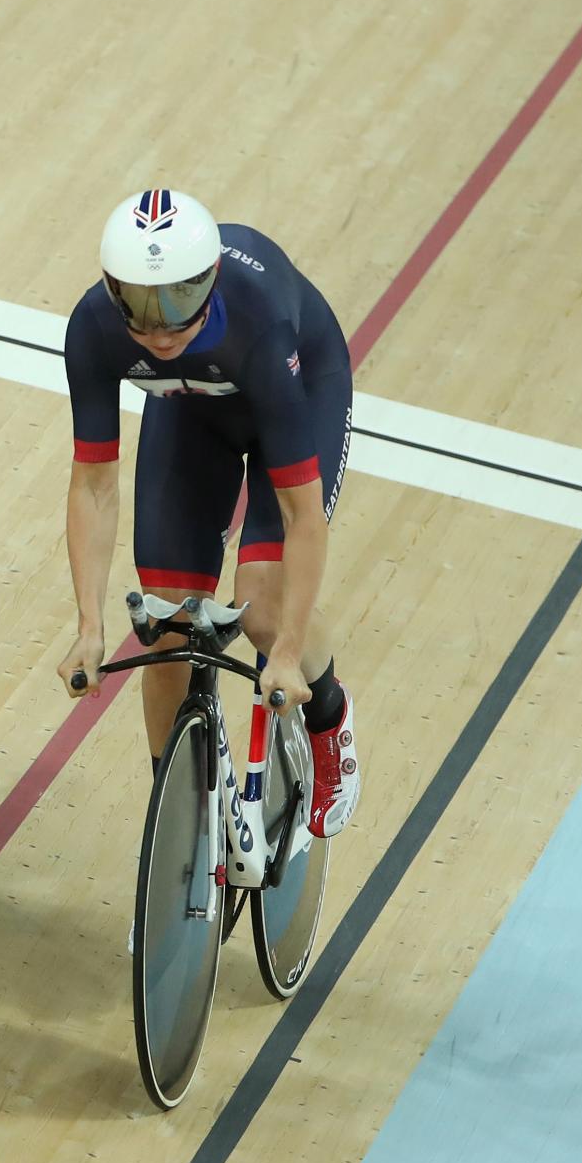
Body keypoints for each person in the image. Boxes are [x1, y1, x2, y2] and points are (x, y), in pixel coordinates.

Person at [55, 189, 360, 838]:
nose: (161, 329)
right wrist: (88, 622)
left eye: (178, 303)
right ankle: (181, 819)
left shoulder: (261, 322)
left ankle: (330, 718)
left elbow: (303, 518)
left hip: (298, 390)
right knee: (164, 622)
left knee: (263, 609)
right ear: (112, 290)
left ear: (210, 282)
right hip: (195, 407)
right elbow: (93, 485)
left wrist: (286, 649)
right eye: (140, 306)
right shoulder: (92, 327)